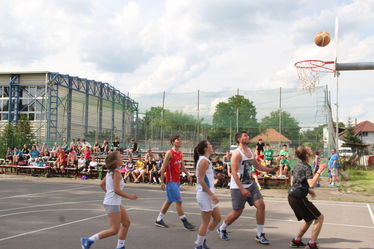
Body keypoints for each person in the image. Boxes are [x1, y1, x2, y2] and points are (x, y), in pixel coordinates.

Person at [217, 131, 278, 244]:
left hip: (251, 184)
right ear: (239, 139)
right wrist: (242, 189)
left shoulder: (250, 151)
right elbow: (234, 173)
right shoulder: (237, 153)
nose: (248, 137)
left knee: (261, 205)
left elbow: (257, 165)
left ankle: (260, 234)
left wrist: (270, 170)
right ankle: (222, 228)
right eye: (245, 135)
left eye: (247, 135)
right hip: (238, 187)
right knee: (237, 212)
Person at [80, 151, 138, 249]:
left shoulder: (111, 172)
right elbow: (116, 190)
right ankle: (88, 240)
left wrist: (109, 193)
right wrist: (129, 196)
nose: (122, 158)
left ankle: (120, 246)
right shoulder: (116, 173)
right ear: (115, 161)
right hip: (112, 203)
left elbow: (102, 185)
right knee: (114, 230)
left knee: (126, 223)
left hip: (114, 202)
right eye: (120, 157)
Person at [288, 146, 327, 249]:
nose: (310, 148)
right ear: (307, 154)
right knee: (319, 217)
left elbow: (297, 182)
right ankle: (312, 244)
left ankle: (296, 241)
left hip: (292, 195)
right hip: (298, 197)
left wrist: (308, 191)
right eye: (308, 148)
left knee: (308, 220)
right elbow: (311, 183)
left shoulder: (297, 165)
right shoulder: (306, 167)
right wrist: (320, 170)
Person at [154, 135, 195, 230]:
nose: (180, 141)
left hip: (177, 181)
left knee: (169, 201)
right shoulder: (169, 153)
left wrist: (188, 174)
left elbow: (182, 166)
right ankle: (185, 222)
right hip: (171, 181)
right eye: (178, 140)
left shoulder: (180, 153)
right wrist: (162, 182)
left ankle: (159, 219)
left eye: (181, 139)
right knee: (179, 201)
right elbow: (163, 167)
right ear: (173, 142)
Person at [194, 141, 221, 249]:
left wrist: (216, 178)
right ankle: (199, 245)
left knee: (217, 218)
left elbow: (206, 179)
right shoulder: (203, 161)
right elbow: (200, 180)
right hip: (205, 195)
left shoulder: (206, 160)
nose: (212, 145)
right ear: (205, 148)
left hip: (208, 194)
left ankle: (203, 240)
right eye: (210, 144)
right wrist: (211, 194)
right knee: (205, 222)